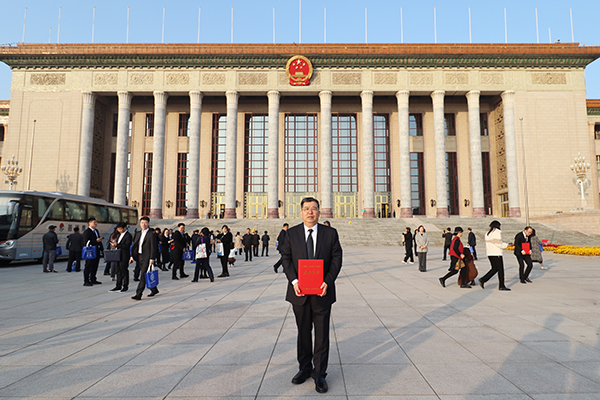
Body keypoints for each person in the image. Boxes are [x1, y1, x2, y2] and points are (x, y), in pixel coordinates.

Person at [281, 197, 342, 394]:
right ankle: (304, 368)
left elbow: (337, 258)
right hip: (299, 292)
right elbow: (286, 258)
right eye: (306, 209)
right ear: (300, 212)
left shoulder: (330, 233)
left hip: (322, 292)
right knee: (303, 333)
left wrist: (328, 281)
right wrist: (294, 281)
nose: (310, 212)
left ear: (319, 212)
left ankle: (320, 374)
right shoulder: (291, 234)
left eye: (313, 208)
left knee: (322, 335)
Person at [130, 216, 159, 300]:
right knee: (145, 274)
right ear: (140, 224)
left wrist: (152, 259)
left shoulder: (151, 234)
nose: (144, 224)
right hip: (139, 256)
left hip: (147, 257)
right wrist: (132, 256)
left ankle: (138, 294)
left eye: (145, 223)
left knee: (142, 275)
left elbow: (153, 247)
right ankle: (154, 289)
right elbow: (134, 245)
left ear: (148, 224)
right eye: (142, 223)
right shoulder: (138, 233)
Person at [479, 220, 510, 291]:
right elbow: (499, 244)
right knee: (500, 270)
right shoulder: (497, 233)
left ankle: (483, 279)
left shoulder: (487, 234)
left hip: (490, 253)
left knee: (494, 269)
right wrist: (506, 245)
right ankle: (501, 285)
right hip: (496, 253)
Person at [109, 222, 132, 293]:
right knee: (118, 271)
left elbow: (126, 246)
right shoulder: (119, 235)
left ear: (125, 228)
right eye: (118, 229)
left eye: (120, 229)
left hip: (124, 255)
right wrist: (114, 244)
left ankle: (125, 286)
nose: (119, 230)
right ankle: (118, 285)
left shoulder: (128, 235)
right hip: (118, 255)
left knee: (124, 271)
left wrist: (117, 245)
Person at [82, 217, 104, 286]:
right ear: (89, 223)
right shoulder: (87, 232)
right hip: (90, 251)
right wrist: (95, 241)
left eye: (96, 222)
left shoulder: (96, 231)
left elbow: (98, 241)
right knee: (88, 266)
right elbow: (86, 242)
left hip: (96, 250)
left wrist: (102, 249)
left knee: (95, 265)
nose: (95, 223)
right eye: (94, 222)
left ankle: (93, 279)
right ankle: (86, 280)